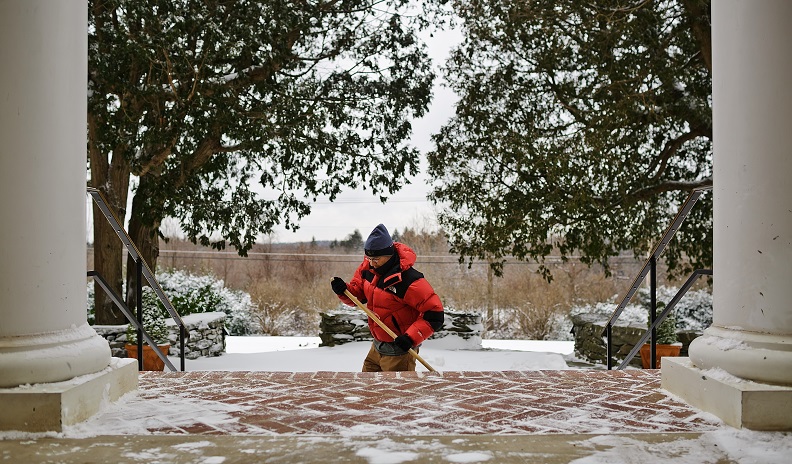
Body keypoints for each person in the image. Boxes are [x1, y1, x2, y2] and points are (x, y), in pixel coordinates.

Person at [331, 224, 444, 372]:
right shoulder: (367, 269)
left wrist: (410, 338)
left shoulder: (409, 281)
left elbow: (434, 314)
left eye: (376, 258)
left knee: (395, 394)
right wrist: (344, 291)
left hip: (399, 353)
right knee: (368, 389)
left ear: (389, 254)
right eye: (368, 258)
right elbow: (357, 296)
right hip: (377, 347)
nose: (371, 263)